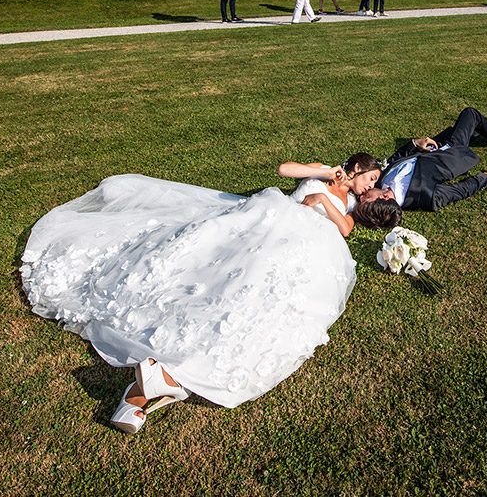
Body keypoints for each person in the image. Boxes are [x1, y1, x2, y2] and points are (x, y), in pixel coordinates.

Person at [21, 153, 400, 434]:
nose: (372, 185)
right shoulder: (327, 170)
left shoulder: (352, 203)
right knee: (198, 261)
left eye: (375, 186)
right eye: (372, 178)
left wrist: (323, 203)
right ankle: (159, 384)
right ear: (356, 168)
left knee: (253, 289)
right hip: (267, 217)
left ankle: (155, 385)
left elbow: (346, 226)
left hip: (296, 237)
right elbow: (286, 171)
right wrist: (322, 173)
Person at [360, 107, 487, 214]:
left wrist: (415, 143)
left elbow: (395, 159)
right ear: (385, 198)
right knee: (470, 114)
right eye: (366, 198)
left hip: (430, 147)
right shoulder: (424, 196)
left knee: (458, 129)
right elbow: (458, 191)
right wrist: (484, 179)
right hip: (452, 151)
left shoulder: (379, 182)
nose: (363, 195)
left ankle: (476, 133)